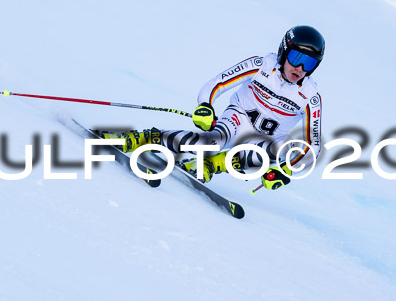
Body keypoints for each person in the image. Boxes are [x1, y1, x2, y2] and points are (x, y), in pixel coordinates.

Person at [103, 25, 324, 191]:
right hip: (238, 119)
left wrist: (285, 169)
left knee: (283, 148)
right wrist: (206, 106)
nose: (300, 68)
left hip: (264, 139)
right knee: (210, 143)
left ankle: (211, 166)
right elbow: (216, 84)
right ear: (284, 52)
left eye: (310, 63)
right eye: (296, 57)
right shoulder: (261, 65)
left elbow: (313, 144)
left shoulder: (310, 96)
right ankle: (143, 138)